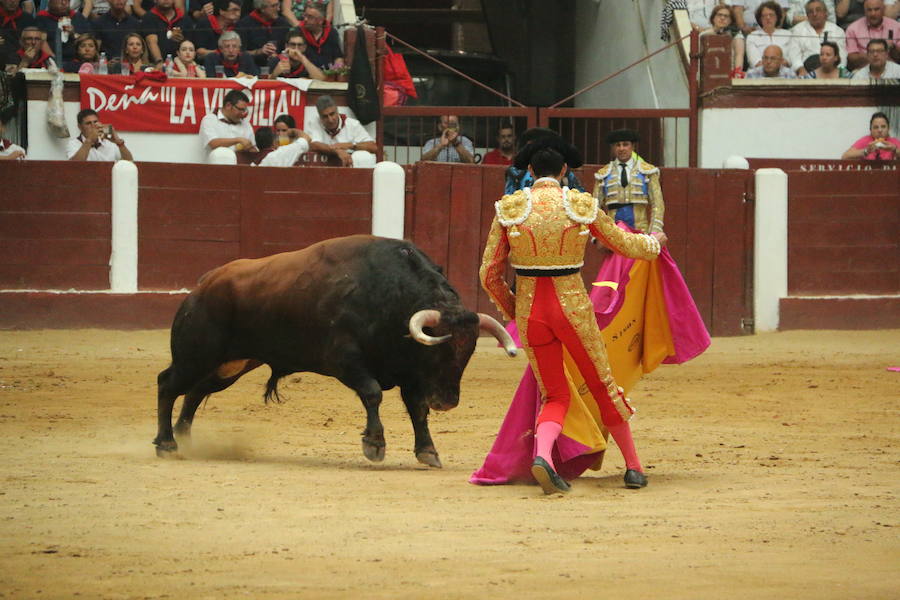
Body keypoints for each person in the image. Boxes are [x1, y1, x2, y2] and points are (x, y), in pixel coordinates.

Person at [479, 138, 665, 495]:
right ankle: (634, 468)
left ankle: (544, 457)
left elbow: (489, 273)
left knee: (555, 395)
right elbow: (624, 245)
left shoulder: (510, 208)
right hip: (572, 308)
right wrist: (654, 244)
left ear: (529, 171)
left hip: (532, 312)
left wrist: (514, 307)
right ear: (564, 171)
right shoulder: (580, 204)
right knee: (602, 386)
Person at [593, 129, 666, 235]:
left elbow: (658, 204)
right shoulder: (603, 174)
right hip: (613, 232)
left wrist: (655, 231)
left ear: (632, 147)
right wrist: (598, 235)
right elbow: (595, 207)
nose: (621, 148)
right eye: (618, 145)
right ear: (613, 148)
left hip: (641, 231)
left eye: (625, 144)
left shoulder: (648, 172)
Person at [305, 94, 377, 167]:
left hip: (350, 168)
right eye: (325, 116)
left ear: (337, 111)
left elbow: (373, 147)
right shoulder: (315, 123)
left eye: (332, 114)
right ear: (320, 117)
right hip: (323, 170)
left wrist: (351, 145)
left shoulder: (352, 124)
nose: (330, 120)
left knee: (362, 156)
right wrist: (336, 151)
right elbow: (313, 145)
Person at [789, 0, 846, 75]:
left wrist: (836, 73)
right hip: (805, 73)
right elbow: (794, 55)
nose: (814, 14)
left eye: (818, 10)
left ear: (826, 13)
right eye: (810, 11)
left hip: (831, 73)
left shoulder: (837, 31)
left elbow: (841, 57)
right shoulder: (798, 30)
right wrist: (800, 69)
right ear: (807, 15)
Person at [198, 87, 256, 157]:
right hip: (216, 166)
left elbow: (253, 148)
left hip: (240, 166)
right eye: (240, 109)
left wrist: (250, 149)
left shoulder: (246, 124)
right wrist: (238, 140)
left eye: (244, 110)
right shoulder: (210, 120)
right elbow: (213, 143)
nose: (243, 114)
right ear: (228, 105)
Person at [845, 0, 900, 70]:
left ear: (883, 9)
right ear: (864, 11)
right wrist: (876, 56)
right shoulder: (853, 29)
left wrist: (893, 48)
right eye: (869, 10)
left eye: (876, 9)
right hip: (863, 70)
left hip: (892, 70)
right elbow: (851, 58)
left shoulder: (897, 27)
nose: (873, 13)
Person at [66, 108, 133, 161]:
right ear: (80, 127)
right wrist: (89, 140)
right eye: (88, 123)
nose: (93, 126)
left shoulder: (109, 142)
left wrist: (119, 142)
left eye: (95, 122)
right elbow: (74, 165)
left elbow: (129, 162)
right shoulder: (74, 143)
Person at [235, 0, 288, 66]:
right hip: (252, 67)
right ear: (262, 9)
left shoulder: (282, 23)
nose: (278, 9)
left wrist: (279, 56)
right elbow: (238, 53)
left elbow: (287, 50)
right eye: (273, 6)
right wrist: (259, 51)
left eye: (278, 5)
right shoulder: (244, 25)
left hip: (279, 67)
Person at [745, 1, 797, 69]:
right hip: (759, 74)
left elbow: (791, 58)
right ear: (760, 19)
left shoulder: (788, 34)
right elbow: (755, 62)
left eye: (771, 15)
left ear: (777, 17)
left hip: (785, 72)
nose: (768, 18)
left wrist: (784, 63)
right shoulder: (752, 36)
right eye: (764, 15)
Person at [142, 0, 192, 65]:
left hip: (182, 64)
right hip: (155, 64)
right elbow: (151, 42)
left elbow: (190, 43)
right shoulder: (149, 17)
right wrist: (159, 62)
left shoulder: (184, 18)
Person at [699, 3, 747, 71]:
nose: (722, 18)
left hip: (729, 74)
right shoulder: (704, 35)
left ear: (730, 20)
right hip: (708, 74)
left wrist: (737, 74)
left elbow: (739, 56)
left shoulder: (736, 35)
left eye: (726, 16)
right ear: (713, 18)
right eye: (719, 15)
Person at [298, 2, 341, 69]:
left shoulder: (331, 32)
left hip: (327, 74)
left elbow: (338, 57)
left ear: (320, 20)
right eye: (305, 15)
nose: (305, 19)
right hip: (305, 73)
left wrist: (336, 71)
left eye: (310, 17)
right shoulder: (299, 31)